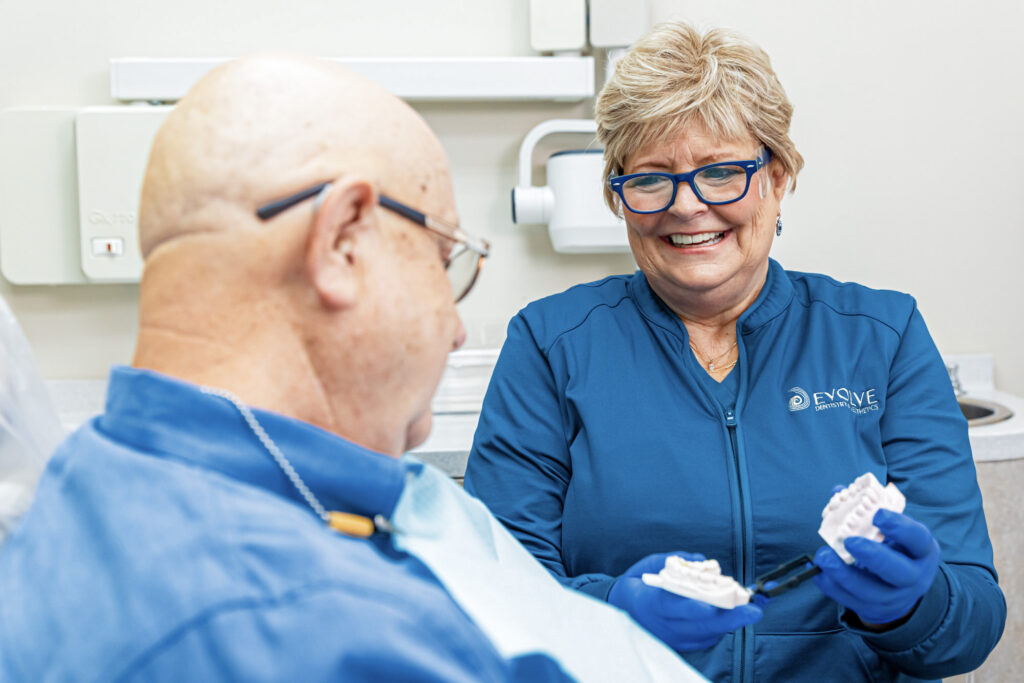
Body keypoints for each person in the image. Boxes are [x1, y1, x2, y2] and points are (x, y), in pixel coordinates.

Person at [0, 54, 706, 682]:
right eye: (443, 259)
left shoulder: (90, 480)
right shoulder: (329, 630)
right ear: (341, 242)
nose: (457, 328)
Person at [464, 21, 1006, 682]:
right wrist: (609, 609)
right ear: (619, 199)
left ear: (777, 178)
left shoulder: (881, 336)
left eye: (721, 172)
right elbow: (491, 596)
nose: (688, 206)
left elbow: (972, 624)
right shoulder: (552, 345)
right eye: (651, 179)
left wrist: (913, 607)